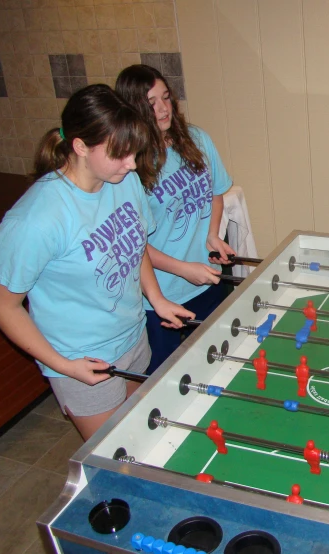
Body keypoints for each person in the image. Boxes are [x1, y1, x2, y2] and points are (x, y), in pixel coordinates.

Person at [0, 84, 194, 441]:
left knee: (139, 436)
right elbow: (2, 305)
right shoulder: (36, 219)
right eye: (120, 154)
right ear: (80, 146)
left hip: (132, 339)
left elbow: (136, 243)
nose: (132, 164)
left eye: (134, 152)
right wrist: (62, 366)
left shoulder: (123, 181)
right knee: (113, 453)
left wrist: (156, 298)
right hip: (82, 361)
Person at [116, 65, 236, 374]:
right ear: (133, 110)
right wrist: (184, 269)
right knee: (166, 377)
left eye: (166, 97)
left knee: (219, 362)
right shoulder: (128, 168)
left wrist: (212, 235)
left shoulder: (196, 138)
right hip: (162, 294)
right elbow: (136, 246)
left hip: (207, 276)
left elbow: (216, 192)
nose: (163, 108)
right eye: (151, 103)